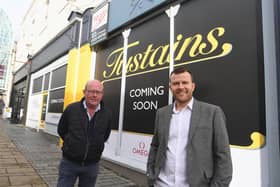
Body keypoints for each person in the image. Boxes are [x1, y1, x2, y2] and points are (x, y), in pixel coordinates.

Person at [146, 67, 232, 187]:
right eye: (176, 83)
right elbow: (155, 145)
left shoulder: (212, 112)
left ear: (193, 86)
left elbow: (223, 155)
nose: (180, 87)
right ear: (170, 87)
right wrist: (150, 173)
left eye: (185, 82)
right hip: (161, 183)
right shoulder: (162, 113)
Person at [57, 80, 112, 187]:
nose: (95, 95)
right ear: (84, 92)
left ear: (102, 94)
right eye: (91, 91)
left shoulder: (107, 114)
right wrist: (71, 143)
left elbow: (105, 135)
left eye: (98, 92)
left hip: (92, 165)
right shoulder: (71, 109)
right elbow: (61, 130)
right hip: (69, 163)